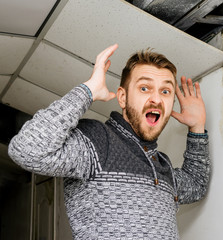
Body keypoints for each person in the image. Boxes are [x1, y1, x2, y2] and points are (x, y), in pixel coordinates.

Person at [8, 44, 210, 240]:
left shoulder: (161, 164)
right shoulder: (97, 141)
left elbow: (196, 185)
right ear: (122, 97)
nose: (156, 99)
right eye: (145, 88)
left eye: (165, 91)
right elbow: (27, 150)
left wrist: (197, 127)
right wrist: (87, 92)